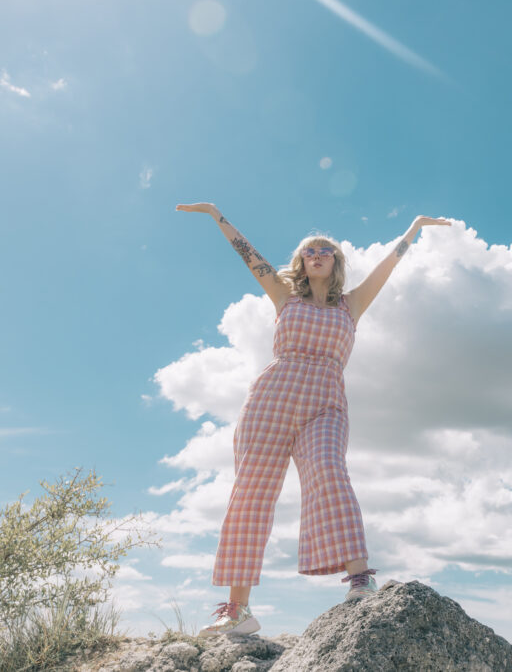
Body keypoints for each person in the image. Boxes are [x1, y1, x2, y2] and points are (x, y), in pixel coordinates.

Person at [174, 202, 450, 637]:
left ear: (336, 260)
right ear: (301, 262)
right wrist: (217, 216)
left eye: (325, 249)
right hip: (271, 400)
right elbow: (250, 255)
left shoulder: (351, 305)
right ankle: (238, 612)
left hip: (325, 404)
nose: (317, 254)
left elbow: (387, 266)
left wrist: (414, 228)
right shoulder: (285, 295)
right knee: (251, 495)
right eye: (309, 250)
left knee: (329, 470)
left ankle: (361, 580)